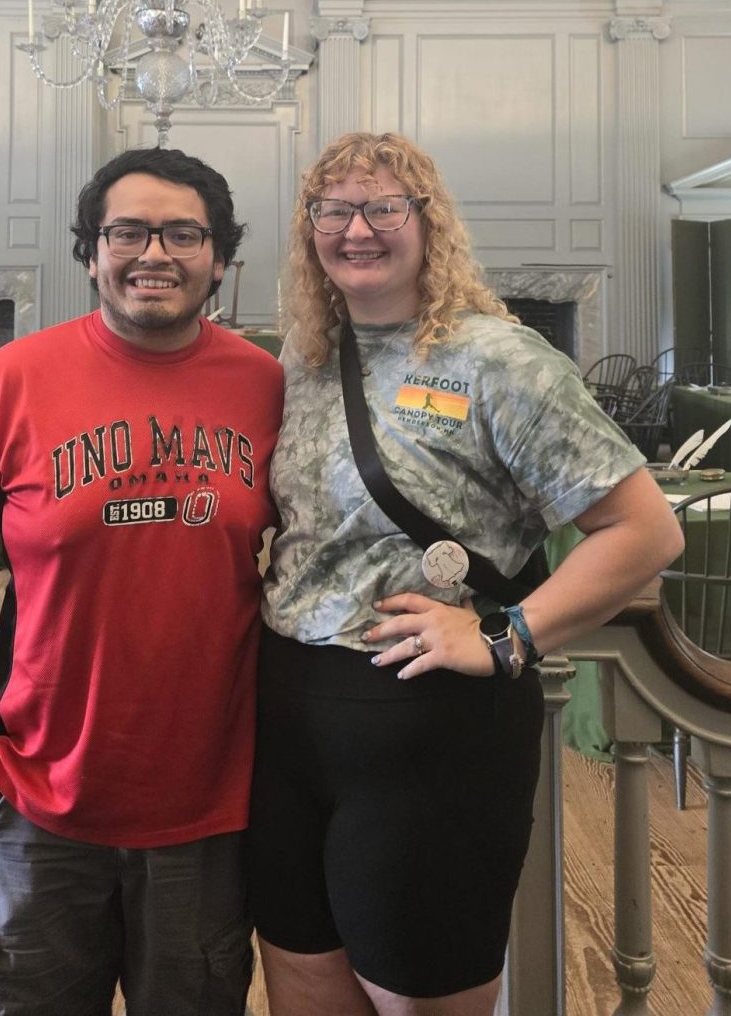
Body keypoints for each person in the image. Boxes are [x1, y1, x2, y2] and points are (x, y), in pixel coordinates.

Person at [250, 131, 684, 1016]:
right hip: (287, 716)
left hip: (431, 727)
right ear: (310, 231)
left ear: (426, 222)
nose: (357, 229)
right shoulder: (293, 365)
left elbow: (643, 531)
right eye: (333, 210)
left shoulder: (501, 360)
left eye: (382, 208)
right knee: (298, 976)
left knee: (421, 998)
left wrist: (505, 633)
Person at [0, 146, 283, 1016]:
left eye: (184, 233)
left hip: (211, 804)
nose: (156, 253)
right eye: (128, 232)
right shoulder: (8, 383)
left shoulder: (267, 388)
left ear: (220, 257)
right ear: (90, 251)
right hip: (35, 801)